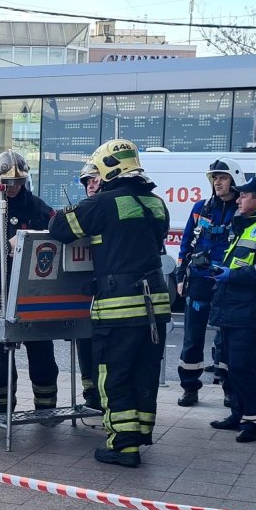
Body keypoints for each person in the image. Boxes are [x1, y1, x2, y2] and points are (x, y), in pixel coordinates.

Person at [49, 139, 170, 467]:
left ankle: (122, 445)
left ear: (107, 170)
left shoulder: (102, 204)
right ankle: (140, 433)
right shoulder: (156, 203)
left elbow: (59, 228)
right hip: (156, 305)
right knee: (144, 373)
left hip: (119, 305)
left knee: (114, 374)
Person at [208, 177, 256, 444]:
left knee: (242, 365)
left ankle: (253, 420)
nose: (238, 200)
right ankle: (238, 414)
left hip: (250, 312)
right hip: (233, 308)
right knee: (227, 364)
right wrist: (219, 271)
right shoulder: (248, 225)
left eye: (244, 196)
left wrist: (230, 275)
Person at [0, 150, 59, 418]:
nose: (13, 187)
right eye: (8, 182)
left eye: (18, 182)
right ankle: (2, 411)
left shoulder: (38, 207)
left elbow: (57, 234)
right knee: (0, 359)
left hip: (34, 294)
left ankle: (46, 410)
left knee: (42, 355)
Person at [174, 158, 242, 407]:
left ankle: (227, 387)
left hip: (226, 282)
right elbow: (186, 244)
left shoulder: (241, 210)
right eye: (214, 178)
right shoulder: (201, 208)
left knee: (225, 337)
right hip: (199, 281)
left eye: (222, 177)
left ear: (234, 180)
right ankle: (190, 387)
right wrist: (181, 276)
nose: (217, 182)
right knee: (192, 337)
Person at [75, 161, 101, 410]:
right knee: (84, 344)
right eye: (87, 182)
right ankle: (90, 394)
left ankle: (101, 396)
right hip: (85, 294)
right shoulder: (83, 209)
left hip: (108, 293)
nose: (91, 185)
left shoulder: (102, 207)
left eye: (95, 179)